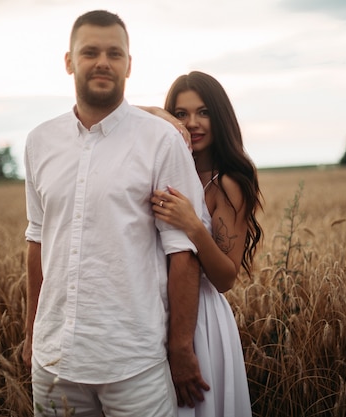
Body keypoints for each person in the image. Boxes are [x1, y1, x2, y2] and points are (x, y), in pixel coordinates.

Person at [22, 11, 210, 417]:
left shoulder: (161, 140)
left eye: (114, 53)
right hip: (54, 363)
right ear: (69, 61)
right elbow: (38, 240)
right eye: (89, 52)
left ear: (129, 63)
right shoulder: (39, 142)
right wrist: (31, 335)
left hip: (134, 363)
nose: (102, 62)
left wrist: (180, 347)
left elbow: (183, 251)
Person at [145, 71, 263, 417]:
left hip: (201, 322)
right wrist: (158, 114)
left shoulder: (229, 183)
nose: (192, 123)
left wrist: (193, 226)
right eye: (181, 113)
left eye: (204, 112)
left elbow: (225, 278)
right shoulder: (161, 172)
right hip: (153, 308)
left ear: (221, 117)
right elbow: (123, 115)